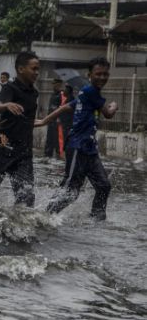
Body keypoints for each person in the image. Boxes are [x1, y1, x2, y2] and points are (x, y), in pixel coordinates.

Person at [35, 57, 118, 220]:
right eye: (98, 74)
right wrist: (115, 105)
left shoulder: (86, 92)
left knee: (103, 186)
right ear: (90, 75)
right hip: (77, 146)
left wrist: (45, 120)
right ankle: (44, 217)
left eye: (105, 74)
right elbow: (108, 113)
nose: (102, 77)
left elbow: (66, 106)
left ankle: (96, 220)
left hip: (89, 148)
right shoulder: (90, 91)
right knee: (71, 190)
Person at [0, 51, 40, 208]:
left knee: (27, 198)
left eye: (37, 69)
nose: (36, 73)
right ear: (21, 69)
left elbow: (28, 120)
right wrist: (7, 105)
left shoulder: (34, 93)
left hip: (24, 152)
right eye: (34, 69)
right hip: (3, 148)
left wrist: (45, 120)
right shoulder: (10, 88)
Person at [44, 78, 64, 158]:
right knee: (49, 138)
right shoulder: (53, 94)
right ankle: (47, 154)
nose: (53, 86)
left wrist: (59, 118)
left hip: (58, 121)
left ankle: (58, 155)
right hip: (51, 120)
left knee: (57, 139)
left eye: (55, 84)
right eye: (53, 84)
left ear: (59, 84)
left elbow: (62, 107)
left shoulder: (62, 94)